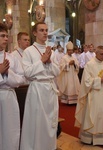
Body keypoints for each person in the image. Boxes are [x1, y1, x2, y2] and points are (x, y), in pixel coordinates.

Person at [20, 22, 60, 150]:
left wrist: (49, 62)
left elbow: (57, 72)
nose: (45, 33)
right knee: (37, 122)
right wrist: (41, 62)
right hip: (37, 89)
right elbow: (27, 73)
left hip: (50, 89)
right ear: (35, 33)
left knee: (50, 123)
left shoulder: (51, 52)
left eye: (47, 30)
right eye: (42, 30)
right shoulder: (29, 51)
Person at [75, 45, 103, 148]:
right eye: (102, 54)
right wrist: (99, 80)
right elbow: (86, 82)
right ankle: (89, 138)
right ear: (96, 53)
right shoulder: (90, 65)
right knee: (93, 115)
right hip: (93, 94)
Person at [0, 23, 25, 150]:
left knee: (10, 130)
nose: (6, 39)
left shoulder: (11, 58)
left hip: (9, 97)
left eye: (6, 36)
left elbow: (21, 79)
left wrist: (7, 73)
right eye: (2, 36)